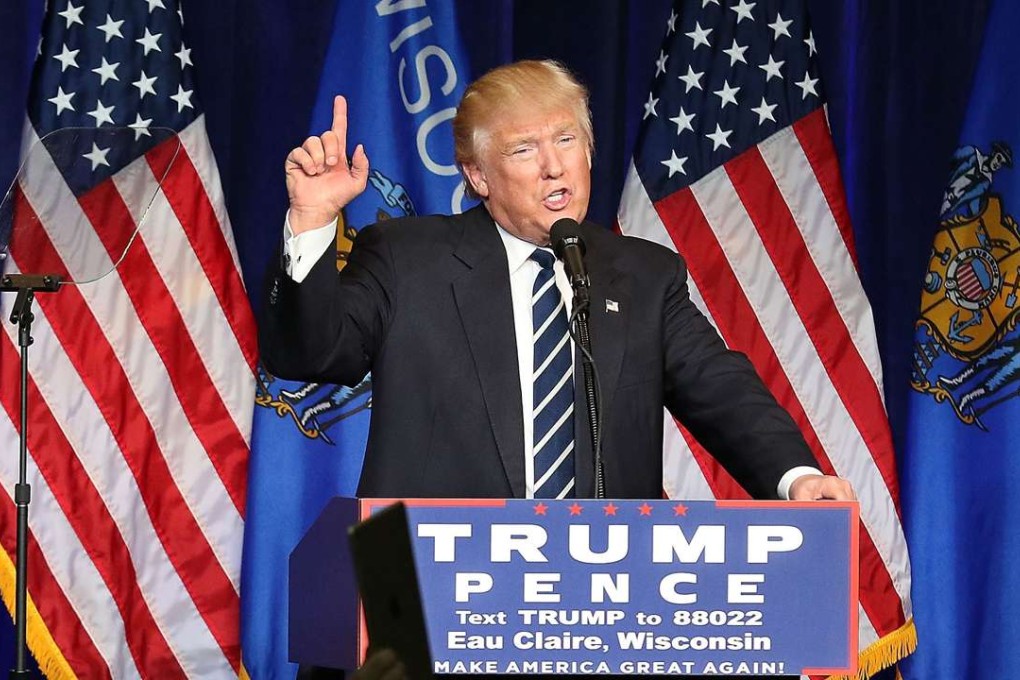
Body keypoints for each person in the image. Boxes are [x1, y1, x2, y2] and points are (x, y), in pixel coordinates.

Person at [263, 60, 853, 678]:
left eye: (566, 139)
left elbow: (719, 387)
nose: (554, 166)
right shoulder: (408, 258)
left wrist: (795, 478)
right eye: (524, 149)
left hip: (597, 615)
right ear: (477, 175)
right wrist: (310, 222)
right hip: (423, 611)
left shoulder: (644, 275)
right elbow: (311, 353)